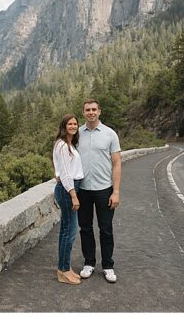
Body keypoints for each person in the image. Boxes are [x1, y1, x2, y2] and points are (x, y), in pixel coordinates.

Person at [76, 99, 122, 282]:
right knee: (85, 228)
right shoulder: (77, 133)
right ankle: (89, 263)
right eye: (87, 109)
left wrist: (116, 191)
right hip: (83, 190)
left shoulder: (110, 134)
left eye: (94, 109)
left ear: (99, 112)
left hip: (104, 189)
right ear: (83, 112)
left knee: (106, 229)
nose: (91, 112)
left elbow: (117, 163)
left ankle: (108, 266)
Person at [53, 114, 84, 285]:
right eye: (69, 124)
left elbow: (61, 168)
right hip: (68, 191)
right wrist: (74, 195)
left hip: (69, 188)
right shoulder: (63, 145)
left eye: (75, 123)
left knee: (67, 230)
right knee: (69, 231)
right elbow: (65, 173)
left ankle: (65, 268)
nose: (73, 126)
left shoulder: (69, 144)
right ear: (64, 127)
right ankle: (63, 270)